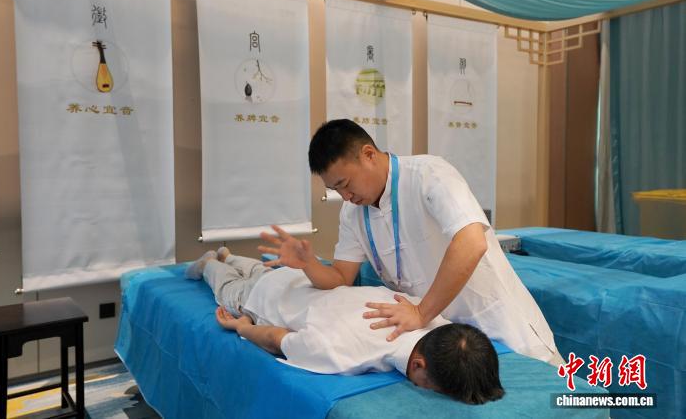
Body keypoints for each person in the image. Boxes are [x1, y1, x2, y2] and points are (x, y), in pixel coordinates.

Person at [258, 119, 562, 366]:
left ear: (368, 154)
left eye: (345, 184)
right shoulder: (352, 213)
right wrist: (308, 265)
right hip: (444, 338)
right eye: (335, 190)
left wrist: (421, 312)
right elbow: (340, 277)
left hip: (498, 325)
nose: (345, 196)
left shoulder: (429, 174)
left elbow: (472, 243)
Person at [185, 248, 505, 405]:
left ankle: (229, 255)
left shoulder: (426, 314)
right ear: (418, 365)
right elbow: (274, 337)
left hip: (297, 281)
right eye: (433, 388)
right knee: (229, 288)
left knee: (259, 270)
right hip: (262, 298)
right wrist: (242, 328)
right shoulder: (344, 352)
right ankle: (211, 262)